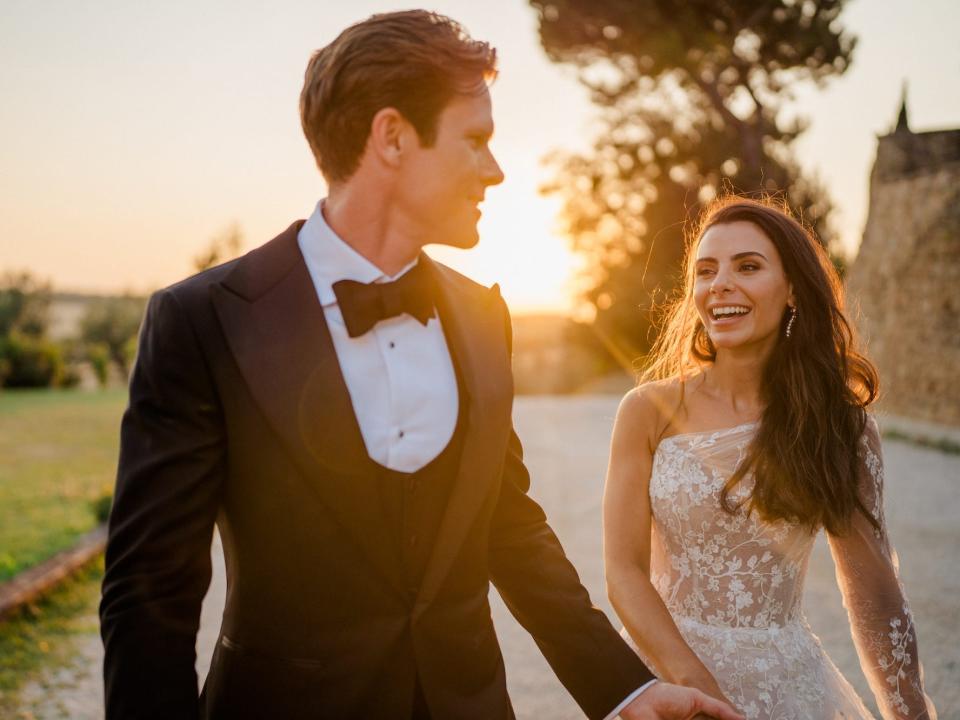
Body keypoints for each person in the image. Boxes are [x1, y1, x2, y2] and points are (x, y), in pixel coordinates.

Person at [99, 10, 744, 720]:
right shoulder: (204, 319)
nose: (495, 170)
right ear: (393, 137)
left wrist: (624, 687)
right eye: (476, 141)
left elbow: (508, 525)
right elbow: (149, 592)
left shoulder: (481, 317)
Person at [603, 196, 938, 719]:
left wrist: (909, 711)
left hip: (786, 688)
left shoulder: (838, 427)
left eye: (748, 267)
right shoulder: (648, 411)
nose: (720, 285)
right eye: (705, 271)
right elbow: (623, 570)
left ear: (794, 292)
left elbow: (875, 597)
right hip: (665, 678)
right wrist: (698, 689)